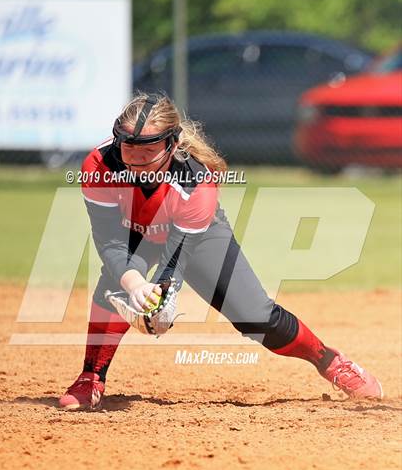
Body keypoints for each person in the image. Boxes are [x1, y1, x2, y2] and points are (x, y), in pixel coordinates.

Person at [59, 93, 383, 411]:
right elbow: (110, 241)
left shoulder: (196, 181)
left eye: (148, 150)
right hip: (134, 233)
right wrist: (134, 285)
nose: (135, 159)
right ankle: (91, 377)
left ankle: (328, 360)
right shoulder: (100, 164)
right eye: (128, 147)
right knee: (117, 284)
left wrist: (161, 302)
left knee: (256, 316)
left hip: (196, 238)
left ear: (172, 144)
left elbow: (175, 261)